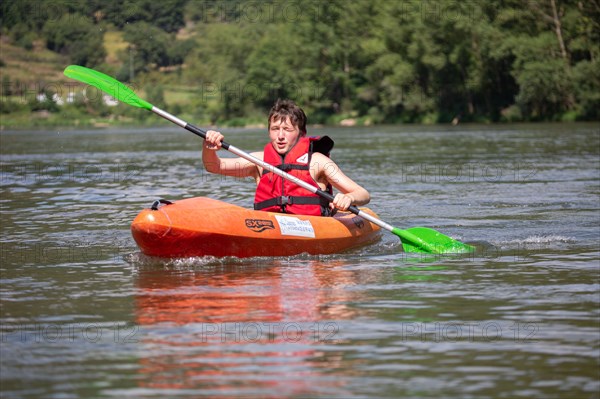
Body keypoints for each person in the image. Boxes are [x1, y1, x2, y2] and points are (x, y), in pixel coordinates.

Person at [202, 99, 370, 216]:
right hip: (270, 225)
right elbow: (214, 166)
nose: (280, 136)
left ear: (301, 134)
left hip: (311, 228)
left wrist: (348, 198)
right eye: (275, 129)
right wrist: (209, 147)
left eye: (287, 130)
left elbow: (363, 194)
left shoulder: (318, 162)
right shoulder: (258, 161)